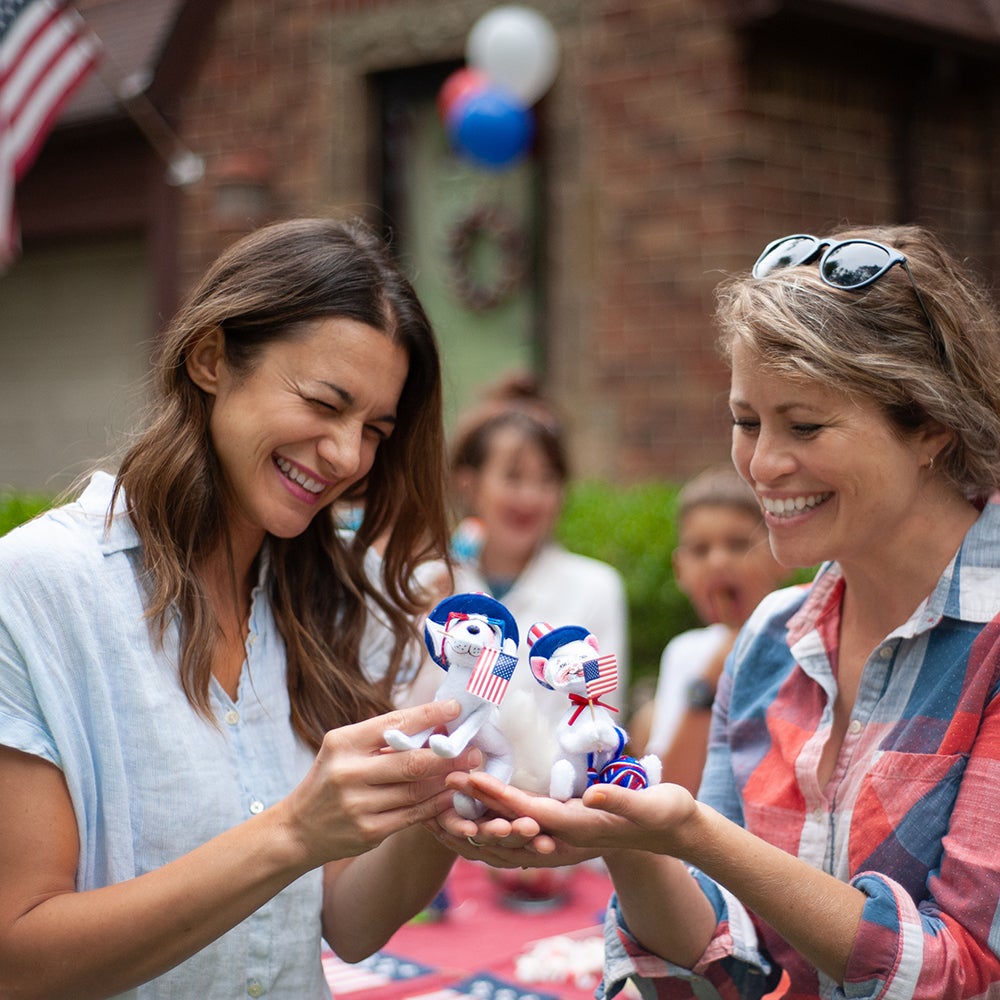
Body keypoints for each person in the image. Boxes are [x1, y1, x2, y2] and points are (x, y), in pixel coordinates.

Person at [439, 225, 1000, 998]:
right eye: (747, 421)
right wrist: (629, 836)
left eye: (805, 425)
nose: (761, 465)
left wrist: (696, 834)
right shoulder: (770, 638)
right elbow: (721, 963)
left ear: (930, 424)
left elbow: (965, 973)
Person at [0, 217, 481, 999]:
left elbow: (347, 924)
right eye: (323, 402)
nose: (347, 456)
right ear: (211, 358)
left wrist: (444, 805)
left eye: (374, 430)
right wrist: (292, 832)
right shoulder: (40, 587)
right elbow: (17, 960)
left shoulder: (331, 599)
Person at [446, 373, 630, 793]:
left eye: (547, 480)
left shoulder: (596, 586)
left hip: (554, 805)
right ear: (468, 483)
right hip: (443, 804)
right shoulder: (427, 583)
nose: (530, 497)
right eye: (513, 478)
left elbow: (599, 714)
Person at [643, 465, 788, 793]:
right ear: (679, 569)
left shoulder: (803, 645)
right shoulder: (685, 652)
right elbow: (670, 788)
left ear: (780, 554)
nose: (718, 562)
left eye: (738, 545)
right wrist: (709, 680)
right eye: (700, 550)